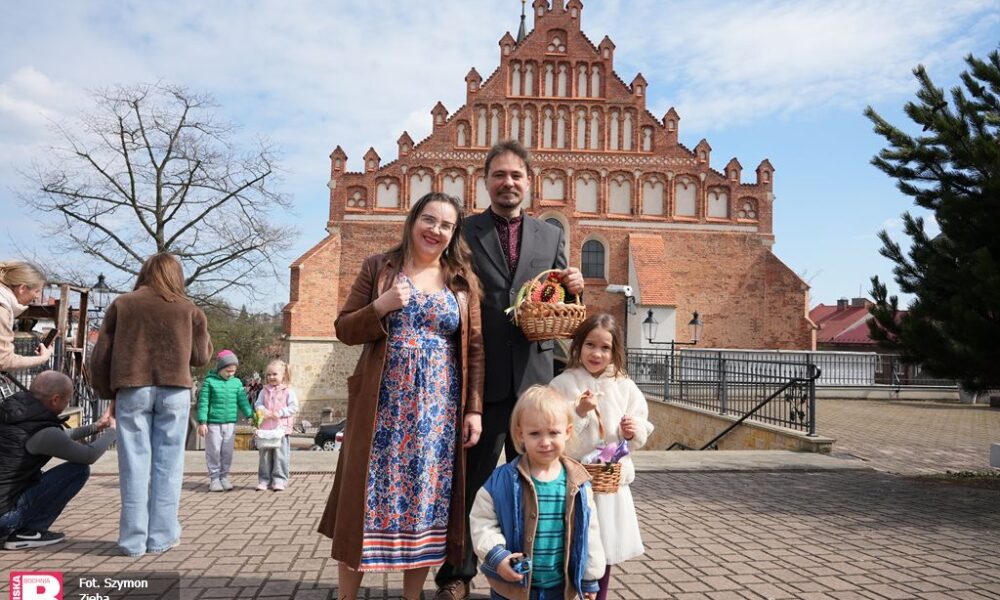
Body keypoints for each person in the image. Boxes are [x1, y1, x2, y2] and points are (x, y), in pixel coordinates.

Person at [317, 192, 484, 600]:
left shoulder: (461, 279)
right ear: (413, 221)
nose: (436, 230)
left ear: (453, 233)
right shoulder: (380, 267)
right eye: (429, 219)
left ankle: (413, 597)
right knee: (368, 498)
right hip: (383, 408)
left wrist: (473, 409)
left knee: (425, 503)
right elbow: (344, 329)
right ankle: (347, 596)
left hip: (439, 413)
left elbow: (475, 348)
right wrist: (381, 306)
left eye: (446, 225)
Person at [436, 140, 585, 599]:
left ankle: (531, 577)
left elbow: (558, 299)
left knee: (536, 489)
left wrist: (576, 289)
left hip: (534, 384)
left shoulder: (550, 235)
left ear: (529, 182)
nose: (508, 183)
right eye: (499, 175)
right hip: (482, 381)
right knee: (472, 486)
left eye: (516, 175)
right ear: (486, 181)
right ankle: (456, 577)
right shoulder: (464, 230)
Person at [91, 252, 213, 557]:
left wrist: (108, 392)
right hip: (175, 391)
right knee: (169, 465)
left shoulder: (123, 304)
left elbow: (101, 354)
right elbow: (200, 356)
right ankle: (161, 537)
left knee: (133, 465)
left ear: (145, 273)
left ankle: (132, 541)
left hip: (133, 387)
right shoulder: (189, 309)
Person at [549, 314, 654, 600]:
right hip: (574, 481)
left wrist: (634, 431)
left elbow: (641, 422)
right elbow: (554, 433)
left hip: (608, 485)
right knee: (573, 546)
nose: (596, 353)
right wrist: (579, 413)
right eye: (590, 345)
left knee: (604, 548)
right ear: (578, 346)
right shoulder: (563, 384)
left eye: (605, 348)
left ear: (614, 351)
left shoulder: (624, 386)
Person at [469, 385, 604, 600]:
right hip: (512, 587)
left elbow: (589, 532)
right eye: (535, 433)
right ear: (520, 434)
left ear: (568, 432)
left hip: (561, 588)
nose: (545, 442)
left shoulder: (578, 483)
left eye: (553, 433)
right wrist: (498, 556)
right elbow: (482, 521)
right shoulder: (501, 480)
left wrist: (589, 577)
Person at [0, 371, 116, 550]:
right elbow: (88, 456)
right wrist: (113, 431)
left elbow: (59, 436)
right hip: (5, 517)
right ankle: (30, 532)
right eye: (67, 400)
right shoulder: (42, 430)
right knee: (78, 470)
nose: (67, 404)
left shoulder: (15, 412)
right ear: (55, 399)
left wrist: (96, 427)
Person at [196, 349, 254, 492]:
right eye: (228, 371)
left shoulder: (236, 383)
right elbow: (203, 402)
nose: (230, 374)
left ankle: (224, 476)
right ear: (220, 368)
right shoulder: (209, 382)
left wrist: (250, 415)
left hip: (230, 423)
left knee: (227, 452)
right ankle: (214, 478)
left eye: (233, 371)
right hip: (214, 423)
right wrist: (202, 422)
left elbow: (243, 401)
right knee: (214, 451)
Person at [0, 261, 55, 372]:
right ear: (22, 288)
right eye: (37, 291)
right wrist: (42, 358)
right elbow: (4, 361)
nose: (37, 297)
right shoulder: (2, 309)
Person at [253, 359, 298, 491]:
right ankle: (264, 479)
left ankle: (279, 480)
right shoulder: (264, 391)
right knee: (265, 457)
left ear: (283, 375)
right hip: (266, 430)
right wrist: (263, 411)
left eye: (274, 374)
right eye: (269, 375)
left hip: (281, 430)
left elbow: (293, 407)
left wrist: (280, 413)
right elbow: (258, 404)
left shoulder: (288, 391)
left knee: (280, 456)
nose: (271, 377)